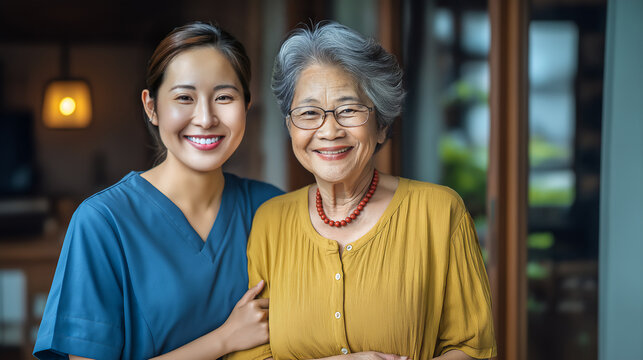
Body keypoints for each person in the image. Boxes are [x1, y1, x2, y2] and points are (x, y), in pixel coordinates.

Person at [226, 22, 496, 360]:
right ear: (290, 127)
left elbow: (472, 348)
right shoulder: (270, 221)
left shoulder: (439, 212)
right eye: (309, 113)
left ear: (381, 126)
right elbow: (250, 355)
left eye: (349, 110)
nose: (329, 130)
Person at [33, 22, 282, 359]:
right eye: (184, 97)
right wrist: (223, 339)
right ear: (152, 107)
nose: (206, 118)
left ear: (246, 106)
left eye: (224, 97)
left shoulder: (271, 207)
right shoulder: (102, 222)